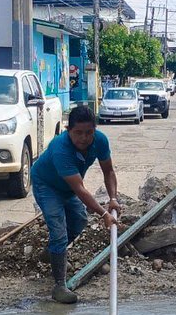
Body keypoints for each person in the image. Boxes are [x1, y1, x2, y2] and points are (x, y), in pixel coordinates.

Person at [31, 104, 119, 304]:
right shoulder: (60, 148)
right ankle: (59, 286)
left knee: (79, 222)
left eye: (89, 132)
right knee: (59, 230)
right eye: (78, 133)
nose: (84, 138)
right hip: (47, 185)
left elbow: (109, 171)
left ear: (94, 131)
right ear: (68, 130)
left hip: (68, 187)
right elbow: (80, 189)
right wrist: (104, 214)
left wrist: (113, 198)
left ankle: (53, 252)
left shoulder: (100, 141)